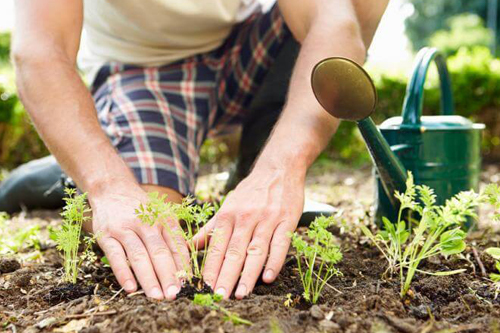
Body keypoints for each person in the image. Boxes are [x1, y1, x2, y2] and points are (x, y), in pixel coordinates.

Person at [9, 0, 389, 301]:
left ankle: (254, 174)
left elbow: (334, 25)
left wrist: (280, 169)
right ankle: (83, 162)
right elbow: (40, 50)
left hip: (246, 47)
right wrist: (108, 187)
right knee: (153, 221)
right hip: (145, 69)